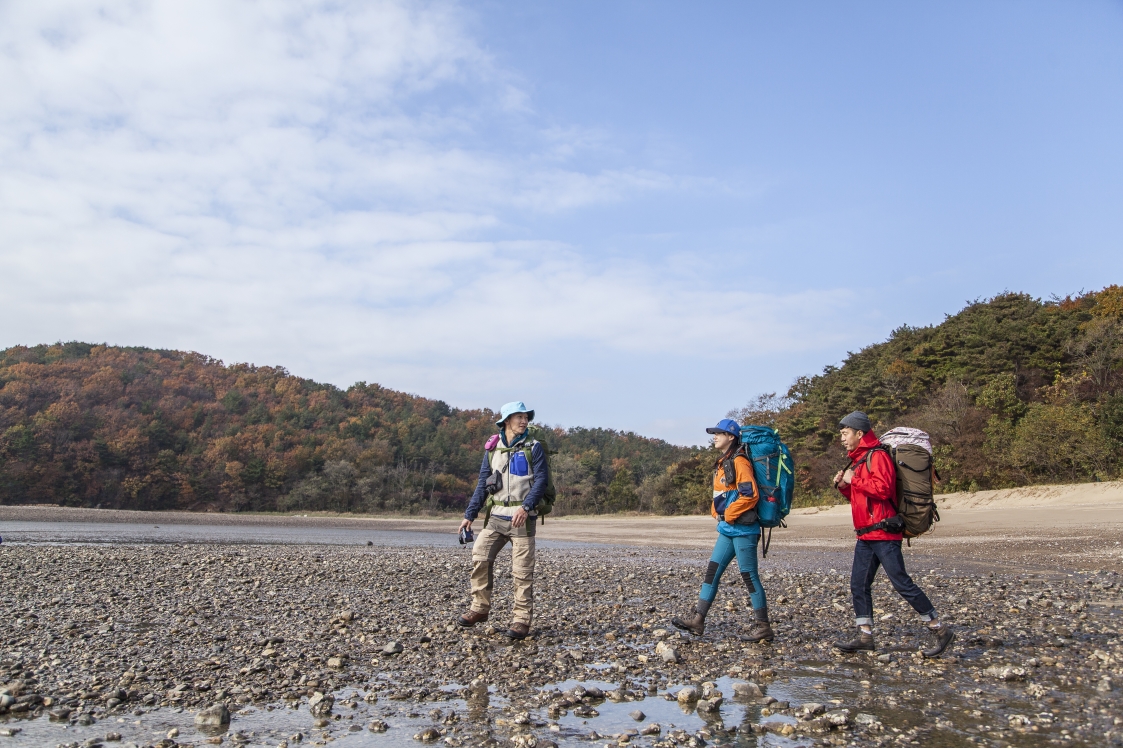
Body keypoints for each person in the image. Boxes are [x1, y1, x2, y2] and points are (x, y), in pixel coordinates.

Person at [831, 411, 954, 657]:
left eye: (845, 434)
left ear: (859, 433)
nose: (842, 439)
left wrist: (853, 480)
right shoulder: (859, 459)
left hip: (884, 533)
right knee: (858, 584)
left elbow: (884, 490)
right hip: (866, 535)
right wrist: (846, 486)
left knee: (902, 583)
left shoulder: (877, 456)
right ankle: (865, 636)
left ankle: (939, 629)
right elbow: (863, 498)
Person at [671, 418, 773, 642]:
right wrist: (716, 512)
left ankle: (764, 627)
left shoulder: (740, 461)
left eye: (719, 433)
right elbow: (721, 493)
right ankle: (698, 620)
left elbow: (750, 494)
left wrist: (729, 513)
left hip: (745, 530)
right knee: (712, 572)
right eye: (714, 433)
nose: (715, 437)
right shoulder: (723, 462)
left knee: (749, 576)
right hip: (728, 529)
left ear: (731, 437)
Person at [457, 401, 548, 640]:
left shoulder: (534, 447)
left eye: (526, 417)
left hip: (522, 517)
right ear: (506, 420)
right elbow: (482, 483)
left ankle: (521, 621)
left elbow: (541, 481)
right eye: (519, 417)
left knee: (522, 572)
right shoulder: (492, 448)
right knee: (480, 556)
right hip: (496, 515)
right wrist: (469, 515)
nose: (524, 421)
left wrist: (527, 507)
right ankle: (479, 608)